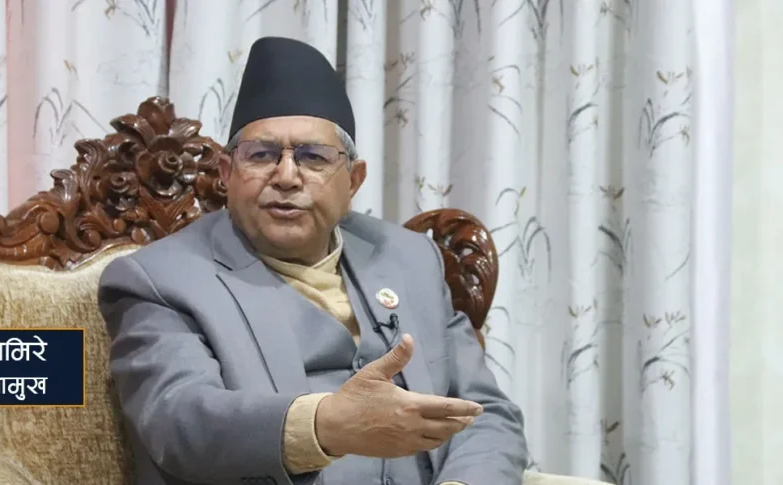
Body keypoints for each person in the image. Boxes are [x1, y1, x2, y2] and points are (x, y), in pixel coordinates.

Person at [98, 36, 528, 485]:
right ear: (227, 174)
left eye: (313, 158)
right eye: (261, 155)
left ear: (353, 180)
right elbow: (179, 422)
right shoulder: (160, 279)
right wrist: (327, 426)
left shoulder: (411, 258)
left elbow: (488, 413)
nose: (286, 177)